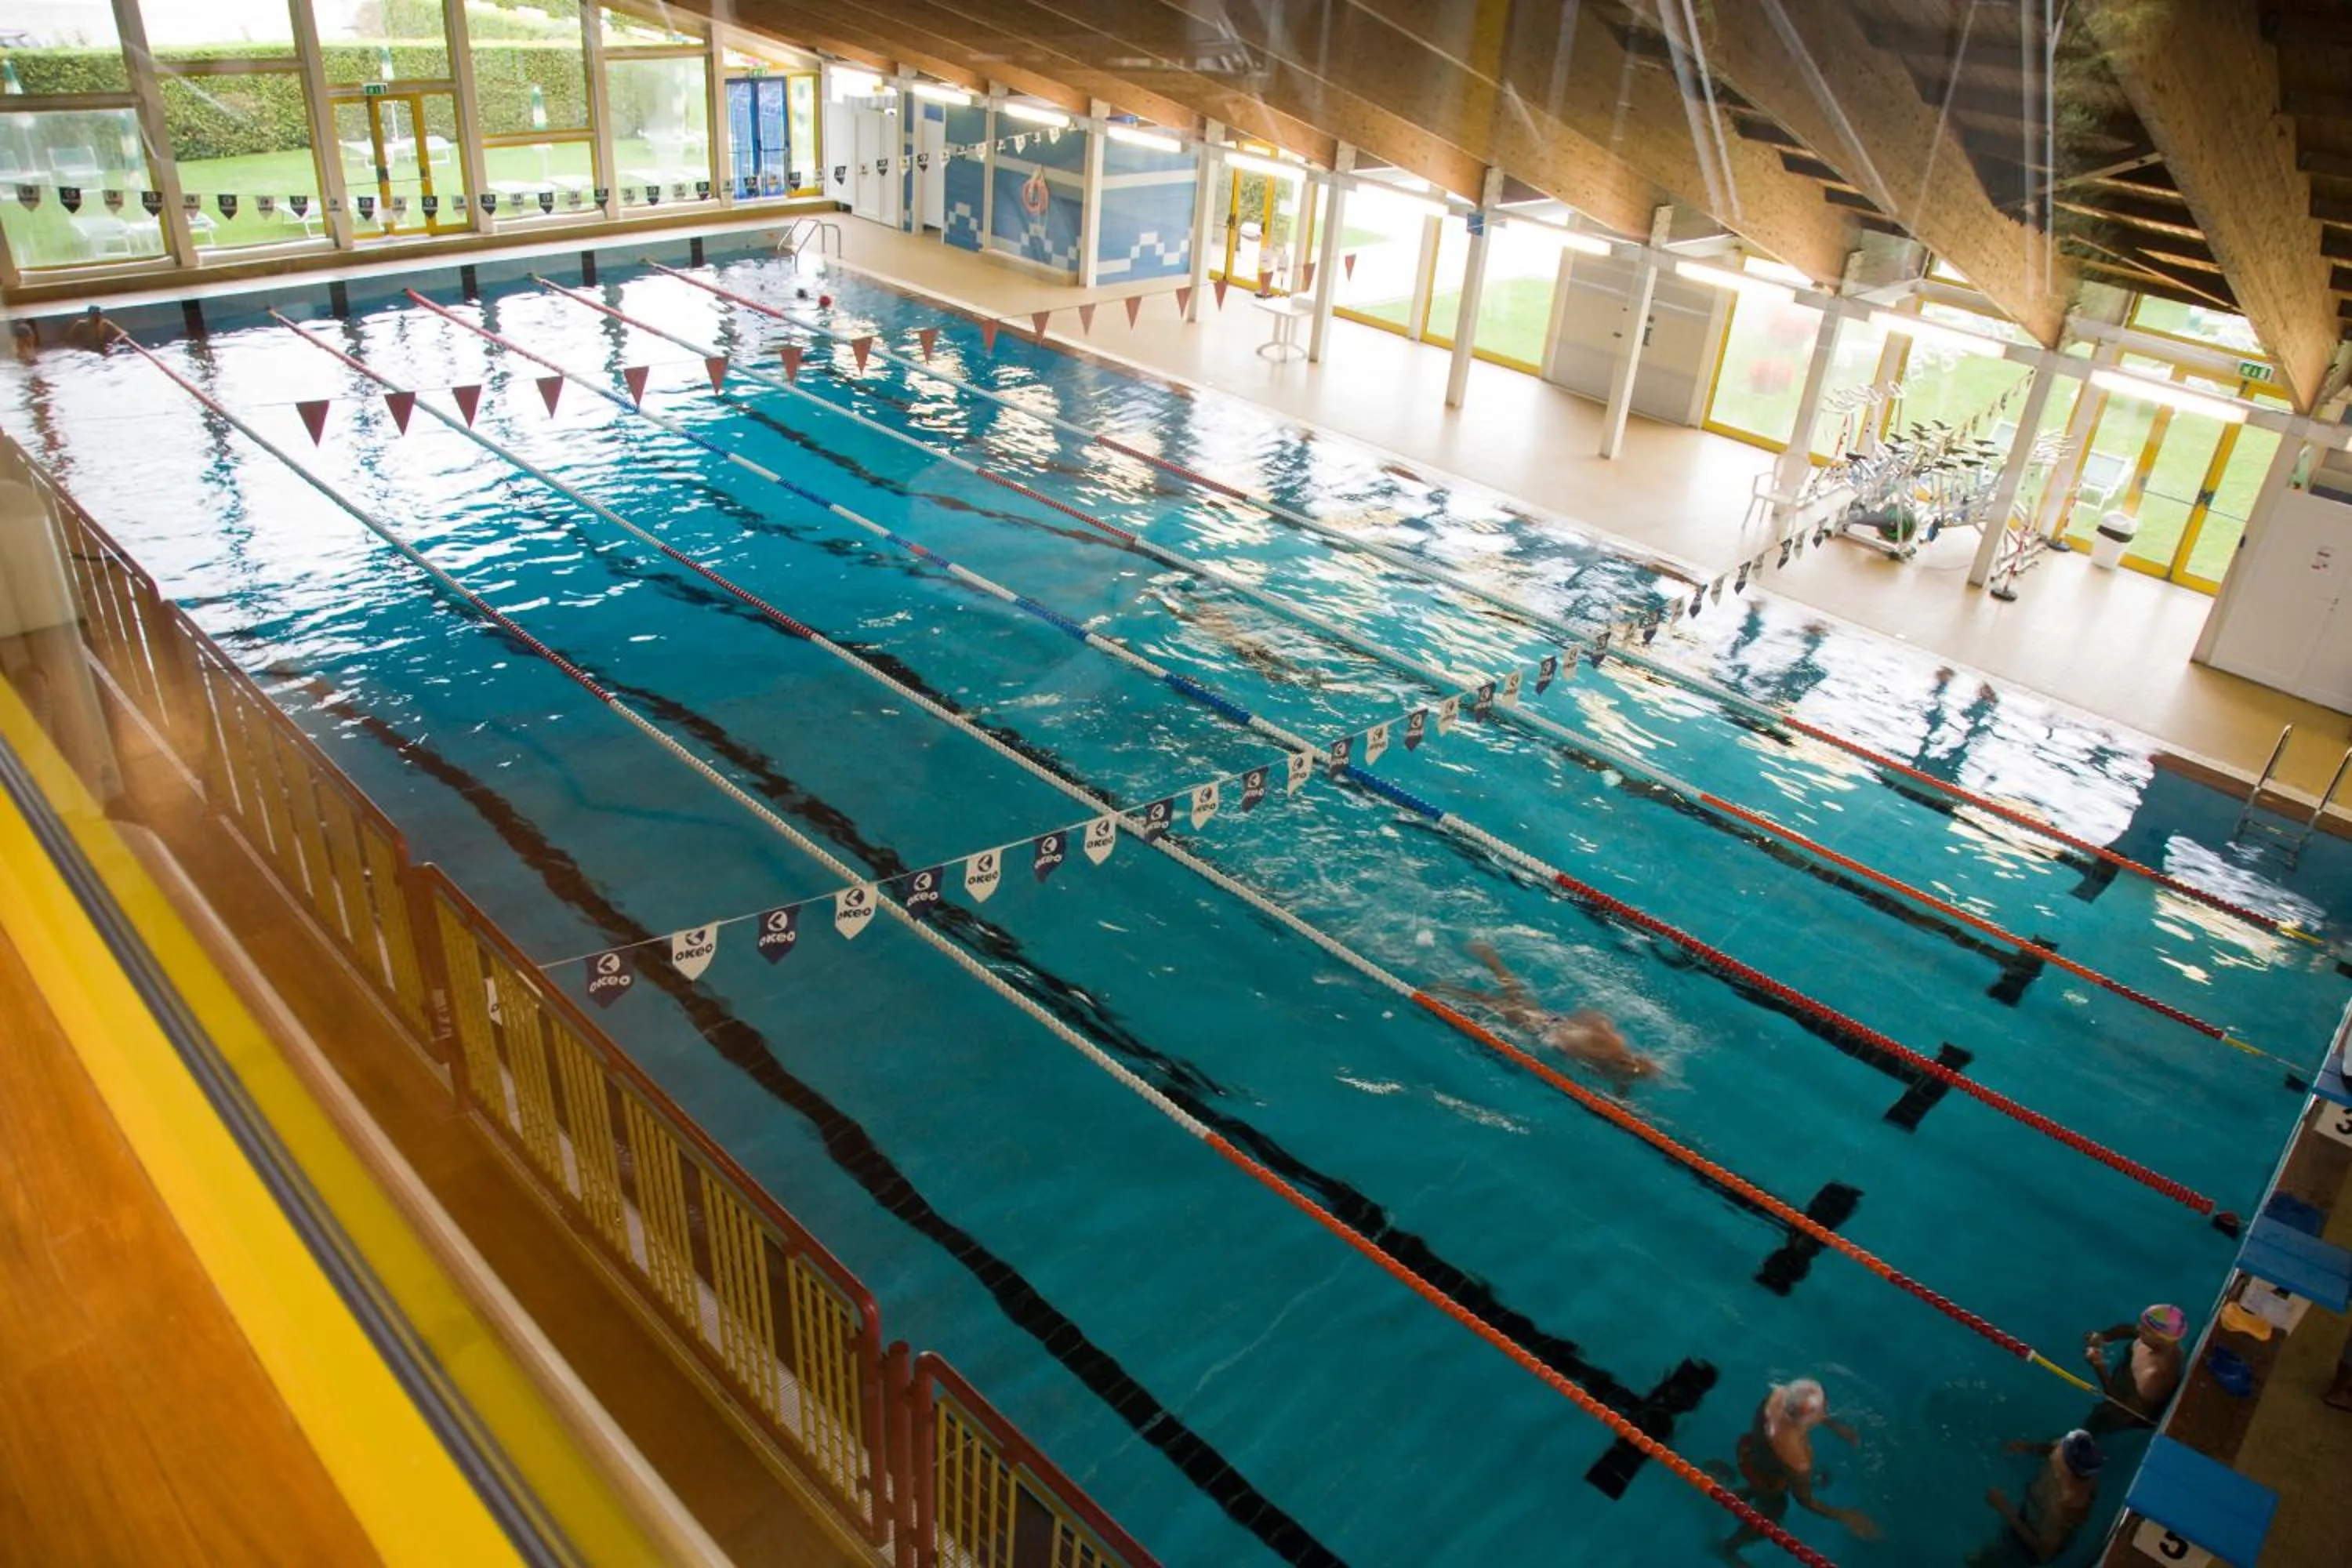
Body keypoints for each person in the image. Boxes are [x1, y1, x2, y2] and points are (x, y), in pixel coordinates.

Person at [1427, 940, 1659, 1092]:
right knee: (1492, 1004)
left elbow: (1598, 1018)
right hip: (1542, 1028)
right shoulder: (1607, 1051)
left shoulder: (1618, 1065)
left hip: (1552, 1021)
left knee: (1510, 995)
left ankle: (1489, 959)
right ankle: (1447, 987)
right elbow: (1591, 1021)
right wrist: (1565, 1042)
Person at [1702, 1379, 1878, 1559]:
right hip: (1768, 1480)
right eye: (1822, 1407)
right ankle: (1729, 1548)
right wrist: (1844, 1515)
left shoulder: (1777, 1397)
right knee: (1774, 1512)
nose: (1826, 1407)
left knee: (1766, 1472)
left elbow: (1798, 1408)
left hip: (1748, 1451)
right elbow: (1806, 1501)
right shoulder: (1797, 1459)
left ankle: (1745, 1492)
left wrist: (1834, 1426)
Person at [1969, 1430, 2104, 1564]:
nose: (2059, 1444)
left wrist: (2005, 1509)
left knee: (1979, 1561)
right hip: (2033, 1508)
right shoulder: (2081, 1460)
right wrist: (2029, 1447)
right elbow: (2053, 1447)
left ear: (2066, 1468)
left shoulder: (2063, 1507)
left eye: (2062, 1448)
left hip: (2029, 1541)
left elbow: (2044, 1554)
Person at [1148, 587, 1323, 688]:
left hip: (1236, 644)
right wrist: (1189, 594)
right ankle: (1302, 673)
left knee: (1265, 671)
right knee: (1277, 659)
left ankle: (1296, 682)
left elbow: (1178, 612)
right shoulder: (1214, 613)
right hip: (1247, 638)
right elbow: (1198, 602)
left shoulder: (1198, 619)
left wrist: (1159, 597)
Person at [2082, 1304, 2186, 1429]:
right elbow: (2130, 1330)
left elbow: (2124, 1413)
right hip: (2126, 1377)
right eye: (2141, 1323)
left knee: (2097, 1420)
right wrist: (2104, 1337)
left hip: (2128, 1407)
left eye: (2145, 1329)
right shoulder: (2162, 1340)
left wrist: (2099, 1366)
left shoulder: (2153, 1376)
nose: (2138, 1328)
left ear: (2160, 1340)